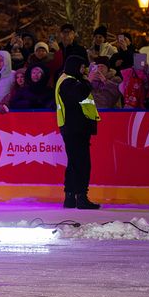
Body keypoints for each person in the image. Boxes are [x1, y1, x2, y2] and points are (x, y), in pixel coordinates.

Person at [55, 55, 101, 209]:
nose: (84, 70)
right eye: (81, 67)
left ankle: (70, 198)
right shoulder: (68, 82)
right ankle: (81, 197)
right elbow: (79, 94)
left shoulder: (68, 80)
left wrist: (91, 80)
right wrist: (89, 79)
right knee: (82, 164)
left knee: (74, 163)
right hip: (75, 128)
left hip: (74, 127)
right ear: (75, 67)